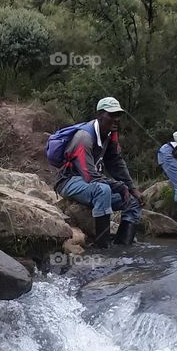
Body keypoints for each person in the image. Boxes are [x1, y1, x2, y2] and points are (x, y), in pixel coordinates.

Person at [54, 97, 143, 248]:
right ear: (99, 115)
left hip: (89, 184)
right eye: (112, 114)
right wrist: (120, 186)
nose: (116, 119)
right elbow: (90, 176)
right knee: (104, 190)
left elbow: (116, 163)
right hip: (69, 181)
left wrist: (132, 189)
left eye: (118, 115)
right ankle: (103, 246)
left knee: (133, 202)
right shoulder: (84, 138)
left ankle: (123, 247)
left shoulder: (109, 135)